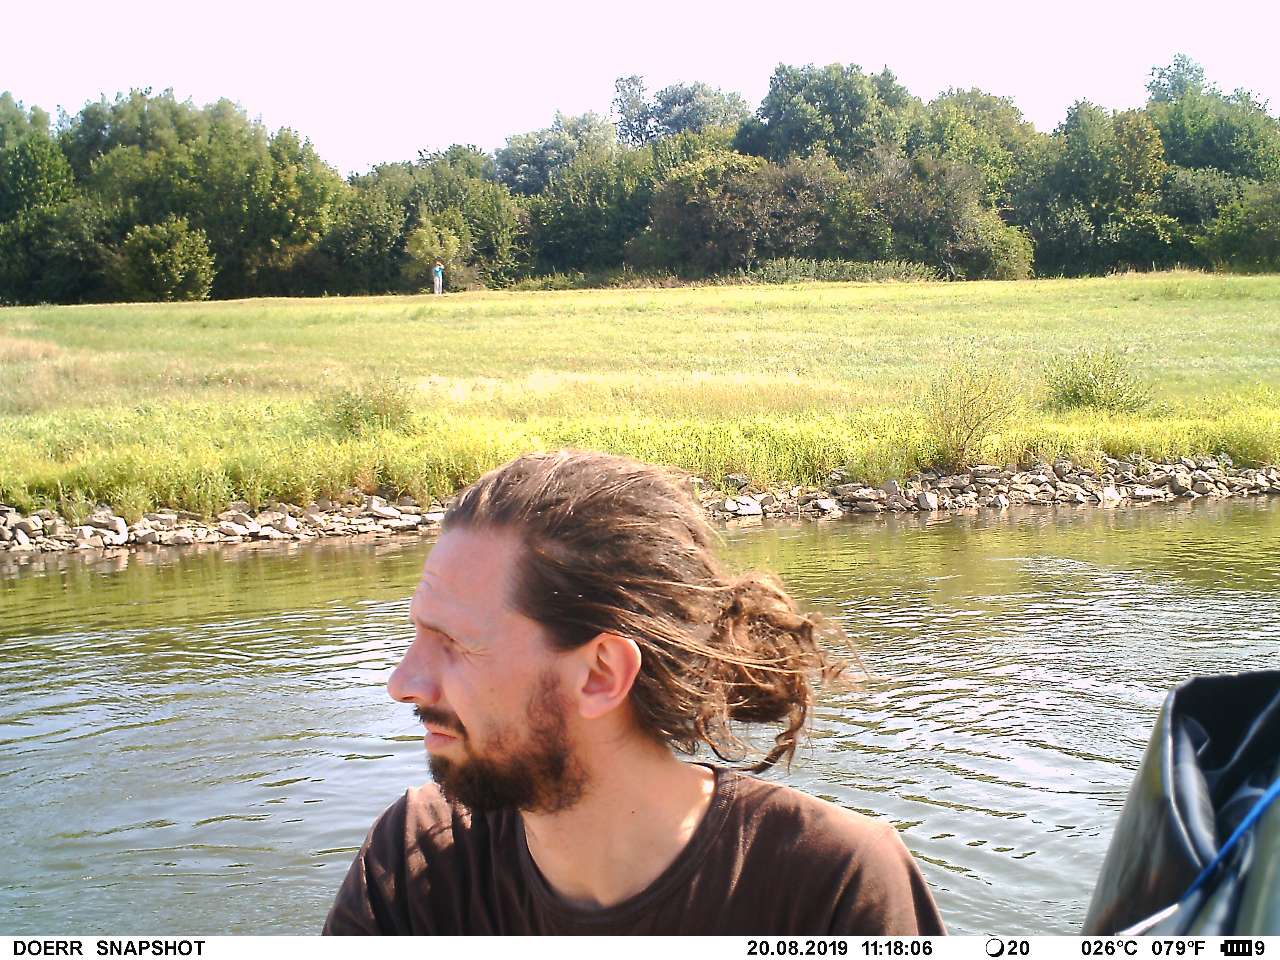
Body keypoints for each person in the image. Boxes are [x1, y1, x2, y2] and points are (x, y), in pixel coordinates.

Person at [323, 450, 946, 936]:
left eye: (455, 643)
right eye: (417, 634)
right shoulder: (414, 861)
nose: (401, 682)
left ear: (601, 674)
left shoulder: (833, 885)